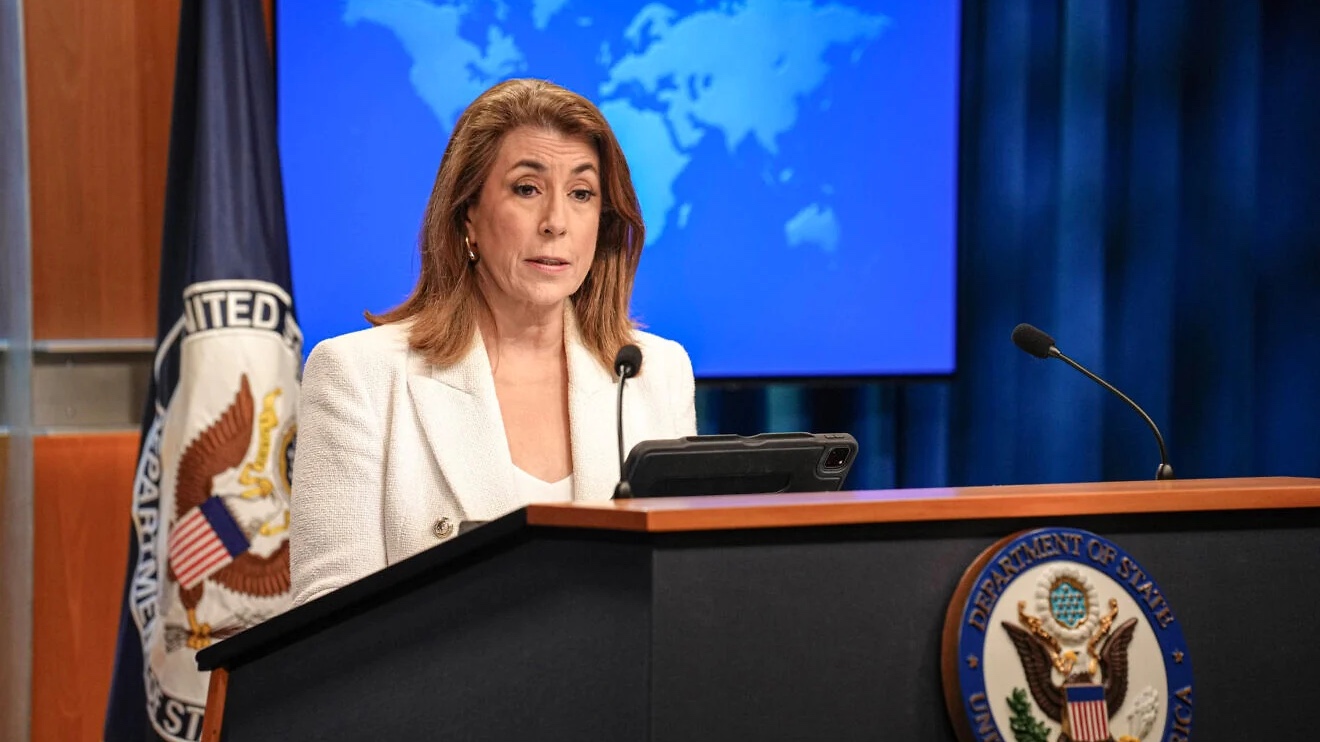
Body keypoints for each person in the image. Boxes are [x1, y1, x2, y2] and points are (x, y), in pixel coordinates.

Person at [289, 79, 697, 607]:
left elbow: (679, 585)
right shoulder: (357, 376)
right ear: (469, 217)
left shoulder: (654, 372)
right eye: (527, 189)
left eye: (581, 194)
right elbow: (326, 619)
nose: (556, 223)